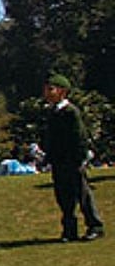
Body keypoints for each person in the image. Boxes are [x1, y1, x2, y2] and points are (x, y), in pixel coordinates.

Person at [41, 75, 104, 242]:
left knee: (82, 193)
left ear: (62, 92)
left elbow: (79, 136)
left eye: (51, 89)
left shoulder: (70, 112)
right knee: (64, 196)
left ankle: (95, 226)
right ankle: (69, 230)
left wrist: (80, 157)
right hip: (59, 161)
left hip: (72, 160)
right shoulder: (52, 112)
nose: (47, 93)